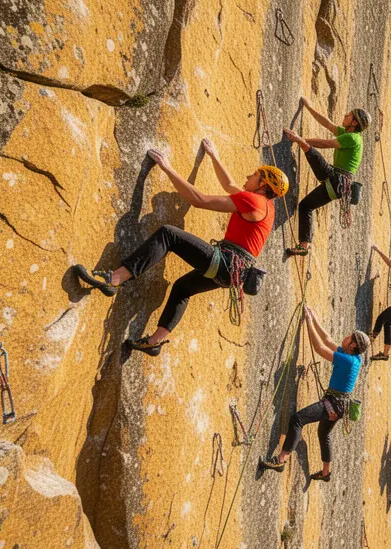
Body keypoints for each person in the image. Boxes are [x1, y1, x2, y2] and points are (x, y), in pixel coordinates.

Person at [72, 140, 288, 356]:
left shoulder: (253, 201)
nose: (248, 176)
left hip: (227, 262)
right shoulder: (265, 206)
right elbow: (231, 186)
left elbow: (198, 200)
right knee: (183, 288)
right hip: (233, 273)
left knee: (169, 235)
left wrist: (167, 168)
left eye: (254, 175)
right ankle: (154, 342)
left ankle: (115, 279)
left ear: (262, 185)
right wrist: (213, 155)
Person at [260, 306, 370, 481]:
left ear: (353, 344)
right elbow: (327, 339)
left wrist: (309, 322)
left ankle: (281, 460)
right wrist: (312, 316)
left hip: (334, 403)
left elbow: (319, 348)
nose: (346, 336)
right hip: (339, 404)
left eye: (350, 336)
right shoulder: (355, 357)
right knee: (324, 434)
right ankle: (326, 472)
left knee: (298, 419)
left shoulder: (349, 360)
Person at [283, 97, 371, 257]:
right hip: (338, 183)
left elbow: (325, 144)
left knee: (312, 153)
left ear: (355, 123)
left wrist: (299, 140)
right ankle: (304, 245)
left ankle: (304, 244)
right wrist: (309, 107)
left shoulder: (352, 138)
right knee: (305, 206)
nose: (345, 115)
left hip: (337, 180)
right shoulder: (348, 134)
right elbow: (327, 123)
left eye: (349, 115)